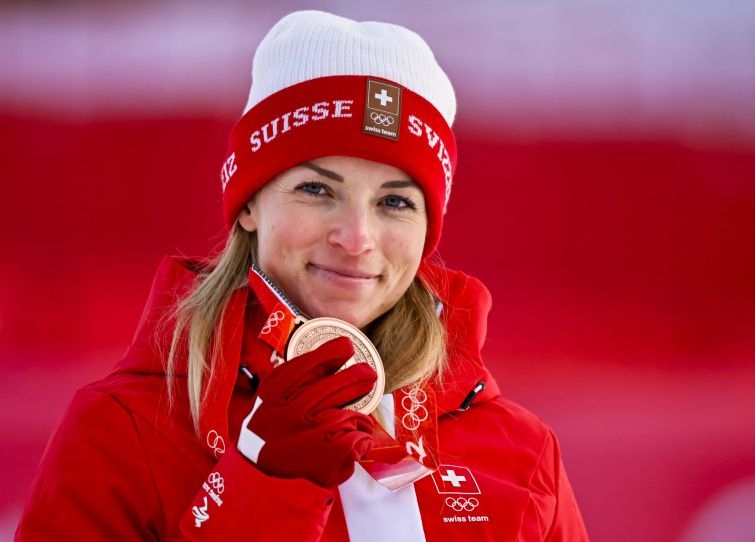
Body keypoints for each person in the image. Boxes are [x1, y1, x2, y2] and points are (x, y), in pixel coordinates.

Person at [16, 10, 588, 541]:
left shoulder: (522, 451)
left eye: (395, 202)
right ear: (247, 205)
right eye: (317, 190)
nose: (356, 237)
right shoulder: (127, 429)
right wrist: (263, 487)